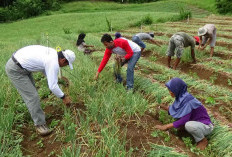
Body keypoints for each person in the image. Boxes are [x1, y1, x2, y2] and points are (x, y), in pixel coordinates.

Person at [5, 45, 75, 136]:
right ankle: (40, 125)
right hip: (15, 69)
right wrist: (64, 97)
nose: (64, 66)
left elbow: (47, 72)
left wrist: (58, 80)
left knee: (32, 93)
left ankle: (37, 115)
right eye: (66, 65)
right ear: (63, 60)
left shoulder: (53, 54)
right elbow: (52, 86)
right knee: (32, 97)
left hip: (21, 65)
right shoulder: (53, 61)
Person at [155, 78, 214, 150]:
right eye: (169, 90)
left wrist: (166, 126)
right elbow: (176, 110)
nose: (170, 92)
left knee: (188, 125)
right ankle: (186, 132)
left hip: (205, 126)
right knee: (182, 122)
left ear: (177, 89)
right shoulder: (181, 97)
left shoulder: (188, 100)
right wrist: (162, 106)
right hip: (196, 123)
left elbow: (184, 120)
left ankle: (202, 141)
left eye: (171, 90)